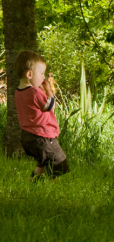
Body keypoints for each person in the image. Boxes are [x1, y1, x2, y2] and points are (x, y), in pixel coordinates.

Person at [14, 50, 69, 180]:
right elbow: (50, 106)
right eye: (42, 73)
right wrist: (48, 90)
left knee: (43, 161)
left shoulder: (18, 92)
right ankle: (53, 188)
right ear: (29, 74)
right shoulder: (35, 92)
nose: (43, 77)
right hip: (41, 135)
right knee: (59, 161)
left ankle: (33, 181)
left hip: (27, 136)